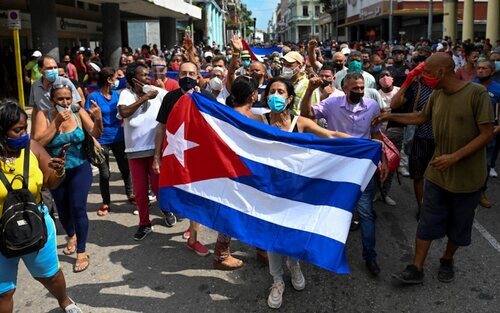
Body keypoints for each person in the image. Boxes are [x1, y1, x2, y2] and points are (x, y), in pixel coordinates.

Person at [374, 52, 494, 284]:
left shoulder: (477, 94)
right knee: (427, 221)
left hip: (468, 178)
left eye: (427, 73)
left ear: (440, 72)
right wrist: (389, 116)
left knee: (459, 226)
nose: (424, 77)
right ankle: (416, 267)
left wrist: (455, 157)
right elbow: (420, 117)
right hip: (438, 174)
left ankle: (447, 260)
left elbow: (487, 134)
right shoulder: (437, 95)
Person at [262, 77, 351, 309]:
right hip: (269, 188)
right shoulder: (258, 120)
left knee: (294, 232)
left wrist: (365, 143)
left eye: (281, 91)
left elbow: (330, 135)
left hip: (297, 190)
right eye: (272, 91)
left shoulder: (298, 122)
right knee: (273, 236)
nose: (276, 95)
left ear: (289, 97)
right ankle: (277, 279)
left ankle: (294, 265)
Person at [301, 72, 389, 278]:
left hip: (362, 166)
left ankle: (370, 257)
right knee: (328, 209)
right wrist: (310, 90)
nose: (359, 92)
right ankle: (320, 250)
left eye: (361, 88)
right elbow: (307, 115)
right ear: (345, 88)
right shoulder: (332, 103)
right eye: (354, 88)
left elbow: (376, 135)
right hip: (336, 165)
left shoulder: (372, 106)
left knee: (365, 212)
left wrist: (382, 159)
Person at [0, 99, 83, 313]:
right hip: (2, 234)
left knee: (50, 275)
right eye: (17, 130)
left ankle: (65, 301)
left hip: (36, 225)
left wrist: (58, 171)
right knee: (4, 291)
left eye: (24, 128)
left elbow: (51, 182)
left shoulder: (33, 148)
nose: (24, 135)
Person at [32, 84, 103, 273]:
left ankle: (81, 252)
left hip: (80, 167)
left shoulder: (78, 112)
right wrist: (55, 123)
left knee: (78, 207)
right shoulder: (44, 114)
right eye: (60, 99)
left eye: (68, 98)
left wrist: (98, 119)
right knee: (62, 208)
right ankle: (71, 235)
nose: (65, 103)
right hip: (55, 171)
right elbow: (37, 143)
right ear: (52, 100)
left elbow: (95, 133)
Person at [153, 61, 210, 255]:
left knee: (198, 196)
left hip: (201, 157)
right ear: (177, 77)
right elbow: (161, 128)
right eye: (183, 73)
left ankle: (193, 237)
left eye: (192, 73)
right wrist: (156, 157)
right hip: (176, 156)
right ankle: (190, 226)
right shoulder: (170, 98)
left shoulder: (207, 98)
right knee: (182, 193)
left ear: (198, 75)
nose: (188, 77)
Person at [118, 62, 177, 241]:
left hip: (155, 150)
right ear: (133, 79)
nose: (147, 78)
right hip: (135, 152)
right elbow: (124, 112)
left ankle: (166, 210)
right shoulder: (126, 95)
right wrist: (144, 98)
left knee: (160, 188)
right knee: (141, 191)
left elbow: (173, 99)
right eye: (143, 75)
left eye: (147, 74)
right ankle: (144, 224)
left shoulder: (155, 90)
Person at [86, 67, 134, 216]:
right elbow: (87, 120)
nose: (117, 80)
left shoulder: (117, 95)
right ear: (108, 79)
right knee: (105, 173)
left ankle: (130, 194)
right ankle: (106, 202)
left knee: (125, 169)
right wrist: (93, 139)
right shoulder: (93, 97)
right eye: (115, 77)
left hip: (119, 137)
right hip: (101, 139)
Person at [473, 59, 500, 208]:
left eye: (484, 68)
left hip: (489, 135)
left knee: (486, 164)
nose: (480, 71)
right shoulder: (470, 86)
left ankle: (480, 192)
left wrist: (498, 128)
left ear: (492, 72)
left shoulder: (498, 89)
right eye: (479, 68)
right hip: (469, 133)